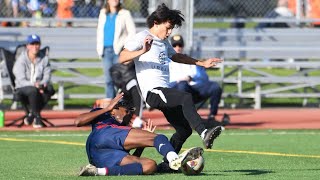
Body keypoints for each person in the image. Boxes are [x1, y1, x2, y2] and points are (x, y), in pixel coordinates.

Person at [119, 3, 223, 166]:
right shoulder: (142, 37)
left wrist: (201, 63)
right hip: (153, 93)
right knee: (185, 97)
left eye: (171, 29)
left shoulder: (164, 42)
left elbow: (176, 57)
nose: (169, 32)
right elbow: (122, 57)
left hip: (164, 92)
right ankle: (204, 132)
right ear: (156, 23)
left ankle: (167, 164)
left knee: (184, 130)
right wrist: (142, 51)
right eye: (167, 28)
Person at [76, 93, 204, 176]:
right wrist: (106, 108)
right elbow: (78, 121)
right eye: (126, 111)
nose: (128, 116)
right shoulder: (104, 114)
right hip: (103, 134)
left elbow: (131, 161)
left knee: (149, 166)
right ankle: (174, 159)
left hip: (99, 158)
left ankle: (97, 172)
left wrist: (141, 145)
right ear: (115, 108)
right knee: (158, 138)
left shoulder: (121, 128)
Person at [169, 35, 230, 127]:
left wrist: (191, 78)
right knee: (182, 85)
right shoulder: (166, 61)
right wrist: (178, 81)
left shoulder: (189, 59)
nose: (177, 48)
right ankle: (182, 117)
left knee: (215, 87)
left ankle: (212, 116)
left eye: (180, 45)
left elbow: (203, 78)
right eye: (175, 45)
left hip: (193, 88)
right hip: (176, 90)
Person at [13, 34, 55, 128]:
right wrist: (34, 85)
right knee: (33, 91)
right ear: (27, 46)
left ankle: (32, 115)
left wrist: (42, 84)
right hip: (22, 88)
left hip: (38, 86)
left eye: (37, 44)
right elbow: (21, 80)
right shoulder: (21, 60)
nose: (35, 47)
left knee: (50, 89)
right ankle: (37, 118)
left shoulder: (44, 59)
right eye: (32, 44)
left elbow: (47, 75)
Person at [96, 0, 136, 99]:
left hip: (118, 51)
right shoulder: (103, 13)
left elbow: (132, 32)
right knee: (108, 80)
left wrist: (124, 45)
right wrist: (99, 47)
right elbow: (99, 31)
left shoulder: (125, 13)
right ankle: (110, 105)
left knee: (120, 80)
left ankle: (123, 104)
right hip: (105, 51)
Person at [110, 62, 144, 128]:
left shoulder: (136, 65)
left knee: (135, 88)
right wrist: (125, 85)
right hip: (123, 90)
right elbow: (117, 82)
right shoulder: (115, 68)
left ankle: (138, 118)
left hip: (136, 89)